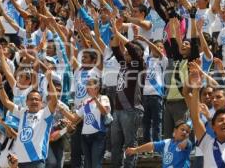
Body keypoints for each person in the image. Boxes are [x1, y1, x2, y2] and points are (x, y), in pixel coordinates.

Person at [0, 68, 58, 168]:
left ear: (41, 103)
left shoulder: (45, 114)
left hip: (37, 161)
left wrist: (49, 81)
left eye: (37, 99)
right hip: (20, 161)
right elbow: (6, 101)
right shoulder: (22, 112)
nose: (34, 101)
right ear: (26, 102)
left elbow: (54, 101)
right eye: (31, 99)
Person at [188, 69, 225, 168]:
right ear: (212, 126)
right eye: (220, 120)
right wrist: (196, 89)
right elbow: (195, 118)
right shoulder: (207, 143)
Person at [110, 19, 145, 168]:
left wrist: (119, 33)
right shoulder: (124, 64)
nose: (125, 53)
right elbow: (114, 48)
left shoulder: (139, 64)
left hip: (131, 109)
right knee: (115, 145)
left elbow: (130, 47)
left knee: (130, 144)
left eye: (129, 52)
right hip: (118, 110)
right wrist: (116, 32)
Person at [62, 78, 111, 168]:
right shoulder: (85, 101)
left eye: (89, 86)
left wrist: (95, 99)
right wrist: (62, 109)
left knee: (96, 164)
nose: (87, 89)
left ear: (97, 88)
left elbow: (105, 112)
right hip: (85, 137)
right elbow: (74, 118)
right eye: (87, 86)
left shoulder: (103, 98)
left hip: (98, 135)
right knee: (87, 165)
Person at [125, 120, 192, 168]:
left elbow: (186, 143)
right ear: (175, 130)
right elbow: (152, 145)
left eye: (187, 131)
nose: (184, 132)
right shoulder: (166, 142)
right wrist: (136, 150)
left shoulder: (188, 144)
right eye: (182, 129)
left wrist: (186, 140)